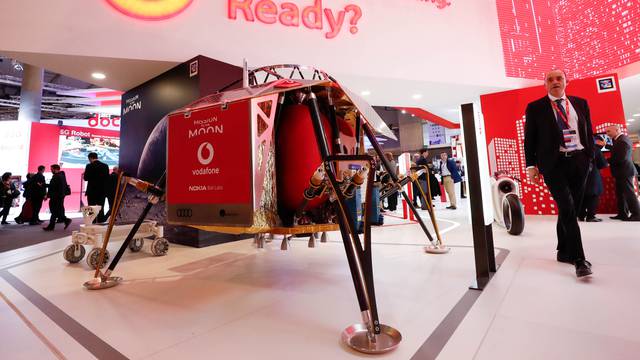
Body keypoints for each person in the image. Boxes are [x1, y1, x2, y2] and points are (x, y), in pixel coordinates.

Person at [524, 69, 594, 277]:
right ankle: (579, 260)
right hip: (554, 165)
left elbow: (587, 130)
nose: (555, 82)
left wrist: (589, 156)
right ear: (544, 84)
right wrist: (531, 166)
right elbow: (530, 140)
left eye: (559, 78)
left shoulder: (580, 103)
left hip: (580, 161)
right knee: (568, 207)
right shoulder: (535, 107)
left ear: (566, 82)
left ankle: (563, 251)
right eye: (550, 79)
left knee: (570, 208)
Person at [605, 125, 640, 221]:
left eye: (609, 131)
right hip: (622, 172)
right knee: (621, 194)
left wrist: (607, 161)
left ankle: (637, 214)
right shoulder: (620, 140)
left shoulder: (622, 141)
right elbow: (617, 150)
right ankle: (622, 214)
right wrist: (606, 145)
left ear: (617, 130)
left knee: (629, 193)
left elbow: (621, 157)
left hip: (625, 171)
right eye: (606, 132)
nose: (607, 134)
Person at [578, 136, 608, 222]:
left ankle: (581, 215)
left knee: (582, 196)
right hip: (593, 176)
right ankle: (591, 216)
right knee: (594, 196)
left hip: (579, 176)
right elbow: (602, 164)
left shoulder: (577, 149)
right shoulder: (595, 149)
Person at [43, 164, 71, 231]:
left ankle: (63, 221)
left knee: (53, 211)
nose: (51, 170)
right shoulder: (61, 176)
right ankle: (63, 221)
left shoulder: (57, 176)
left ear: (55, 169)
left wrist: (47, 195)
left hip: (56, 197)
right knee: (55, 211)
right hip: (59, 196)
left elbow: (52, 187)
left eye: (51, 169)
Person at [84, 152, 110, 223]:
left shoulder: (89, 166)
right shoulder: (105, 166)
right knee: (101, 207)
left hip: (91, 191)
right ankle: (100, 222)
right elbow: (107, 178)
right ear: (97, 157)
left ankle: (90, 222)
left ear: (90, 158)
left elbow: (85, 178)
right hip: (102, 191)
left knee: (91, 207)